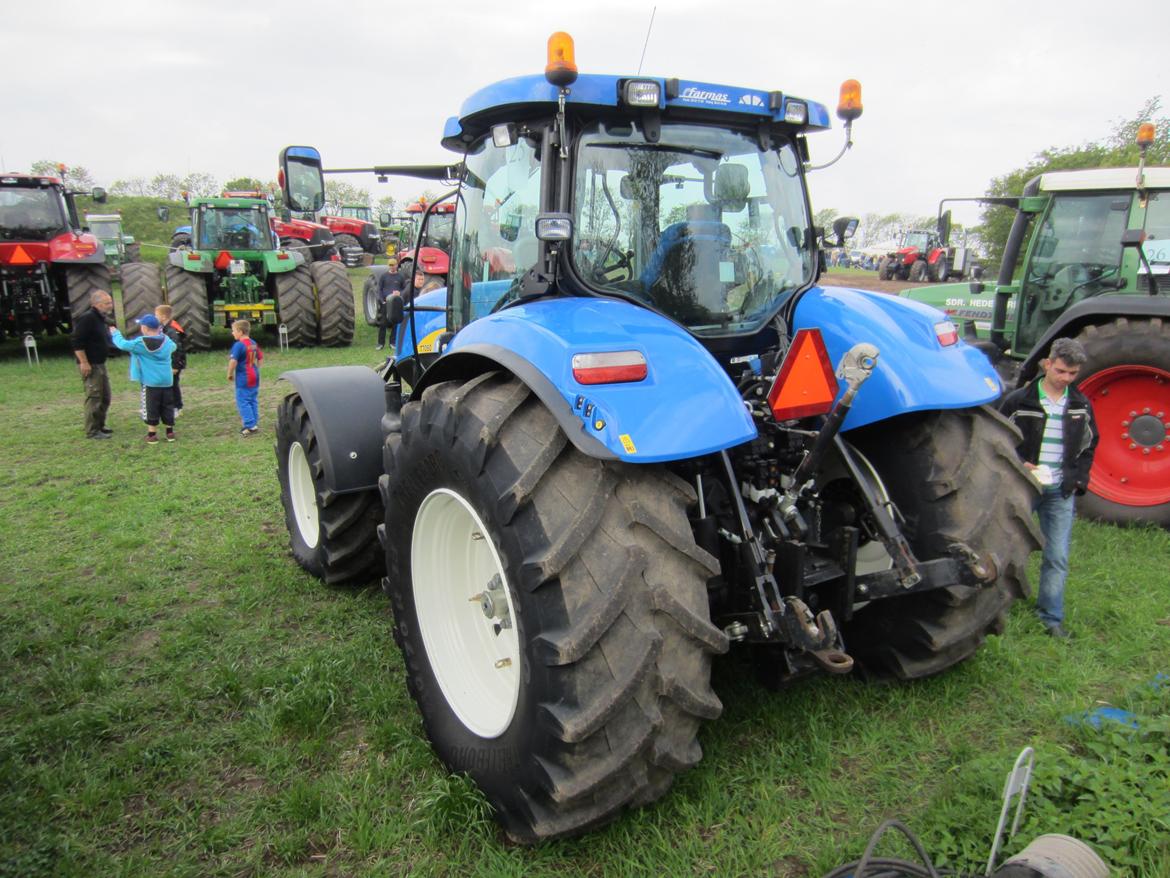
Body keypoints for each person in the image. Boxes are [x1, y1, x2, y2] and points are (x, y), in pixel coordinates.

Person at [998, 337, 1099, 639]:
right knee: (1007, 549)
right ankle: (995, 606)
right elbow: (998, 441)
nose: (1065, 379)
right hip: (1024, 488)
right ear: (1047, 365)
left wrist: (1078, 480)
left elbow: (1090, 444)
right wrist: (1020, 464)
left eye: (1072, 374)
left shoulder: (1081, 405)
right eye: (1060, 372)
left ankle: (1051, 618)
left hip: (1060, 490)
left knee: (1057, 555)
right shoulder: (1019, 400)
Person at [110, 314, 177, 444]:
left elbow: (123, 345)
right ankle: (170, 432)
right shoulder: (167, 341)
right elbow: (174, 347)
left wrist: (115, 334)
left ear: (145, 328)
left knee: (151, 406)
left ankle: (152, 434)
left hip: (150, 382)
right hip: (167, 381)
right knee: (167, 405)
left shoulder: (140, 343)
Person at [71, 290, 115, 439]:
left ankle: (100, 425)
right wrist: (84, 362)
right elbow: (77, 342)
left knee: (105, 397)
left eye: (110, 302)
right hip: (91, 364)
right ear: (96, 304)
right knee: (94, 397)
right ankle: (92, 431)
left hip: (100, 363)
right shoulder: (87, 318)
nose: (111, 305)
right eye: (107, 303)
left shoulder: (100, 318)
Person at [227, 319, 263, 436]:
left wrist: (230, 373)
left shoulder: (238, 345)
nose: (232, 333)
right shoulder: (253, 342)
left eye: (233, 331)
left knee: (243, 400)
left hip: (244, 377)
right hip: (254, 374)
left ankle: (249, 425)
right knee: (252, 399)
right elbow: (260, 357)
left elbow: (233, 361)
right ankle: (254, 422)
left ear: (240, 332)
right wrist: (256, 368)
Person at [155, 304, 187, 416]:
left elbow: (177, 349)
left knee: (173, 385)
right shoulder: (165, 328)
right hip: (169, 362)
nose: (155, 317)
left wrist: (175, 366)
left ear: (163, 316)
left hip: (174, 363)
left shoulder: (172, 330)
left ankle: (177, 407)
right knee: (169, 384)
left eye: (156, 315)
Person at [375, 258, 404, 350]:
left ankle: (393, 342)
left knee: (395, 323)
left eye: (393, 265)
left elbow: (404, 289)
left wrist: (400, 293)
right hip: (385, 302)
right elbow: (379, 289)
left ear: (396, 266)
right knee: (383, 323)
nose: (392, 267)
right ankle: (380, 343)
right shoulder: (384, 276)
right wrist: (381, 300)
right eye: (390, 265)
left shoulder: (400, 276)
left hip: (395, 303)